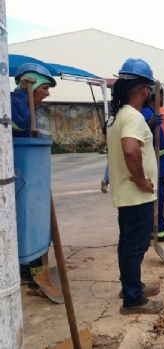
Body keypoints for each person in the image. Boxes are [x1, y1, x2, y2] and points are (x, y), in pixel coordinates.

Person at [106, 58, 163, 314]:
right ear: (143, 90)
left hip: (127, 195)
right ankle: (133, 300)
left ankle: (131, 285)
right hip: (136, 194)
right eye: (149, 88)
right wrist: (142, 181)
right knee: (135, 246)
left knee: (127, 243)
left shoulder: (118, 115)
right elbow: (131, 152)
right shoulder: (133, 118)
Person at [12, 63, 56, 296]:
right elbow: (17, 123)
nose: (47, 93)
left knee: (33, 223)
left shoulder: (27, 104)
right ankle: (30, 272)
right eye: (45, 87)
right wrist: (24, 96)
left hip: (33, 176)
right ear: (31, 83)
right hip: (20, 177)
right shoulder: (15, 102)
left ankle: (30, 271)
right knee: (25, 225)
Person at [140, 84, 164, 242]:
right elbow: (140, 133)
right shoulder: (145, 113)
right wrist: (149, 124)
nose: (163, 98)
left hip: (160, 166)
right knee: (155, 200)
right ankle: (156, 231)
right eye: (162, 95)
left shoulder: (153, 112)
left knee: (159, 199)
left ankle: (159, 231)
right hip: (154, 166)